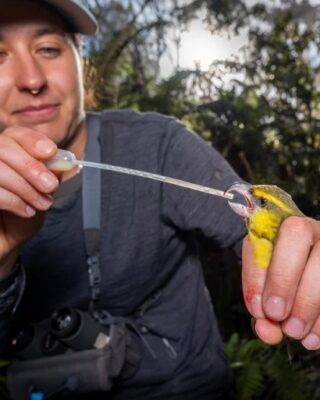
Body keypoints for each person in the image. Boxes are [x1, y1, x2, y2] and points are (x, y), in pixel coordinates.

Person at [0, 1, 320, 399]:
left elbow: (267, 239)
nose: (31, 79)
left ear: (81, 60)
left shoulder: (157, 145)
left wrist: (305, 260)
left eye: (48, 48)